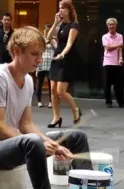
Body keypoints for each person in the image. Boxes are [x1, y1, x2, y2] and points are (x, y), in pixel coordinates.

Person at [0, 26, 92, 189]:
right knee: (33, 142)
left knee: (76, 137)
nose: (39, 60)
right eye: (34, 54)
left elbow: (26, 124)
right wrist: (39, 142)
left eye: (41, 54)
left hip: (15, 142)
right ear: (17, 51)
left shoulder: (27, 80)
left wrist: (50, 143)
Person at [46, 0, 82, 128]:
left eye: (62, 8)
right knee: (53, 90)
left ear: (69, 10)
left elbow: (69, 44)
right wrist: (55, 22)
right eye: (59, 8)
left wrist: (63, 54)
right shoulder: (61, 25)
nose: (60, 10)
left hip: (66, 59)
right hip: (56, 58)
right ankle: (56, 117)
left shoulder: (74, 25)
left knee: (61, 91)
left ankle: (75, 110)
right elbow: (48, 39)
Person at [102, 18, 124, 109]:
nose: (111, 26)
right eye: (110, 24)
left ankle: (121, 102)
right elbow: (107, 47)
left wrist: (120, 58)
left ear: (116, 26)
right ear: (107, 26)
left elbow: (120, 49)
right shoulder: (104, 36)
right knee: (107, 84)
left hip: (117, 63)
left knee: (119, 84)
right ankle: (108, 102)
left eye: (113, 24)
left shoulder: (120, 36)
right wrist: (118, 45)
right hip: (107, 62)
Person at [36, 24, 55, 108]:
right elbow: (38, 49)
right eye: (46, 30)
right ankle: (39, 101)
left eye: (49, 30)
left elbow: (57, 49)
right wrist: (46, 42)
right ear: (44, 31)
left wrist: (52, 43)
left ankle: (51, 102)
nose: (47, 32)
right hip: (41, 63)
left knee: (51, 84)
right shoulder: (40, 40)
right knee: (40, 82)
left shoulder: (54, 40)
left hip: (51, 64)